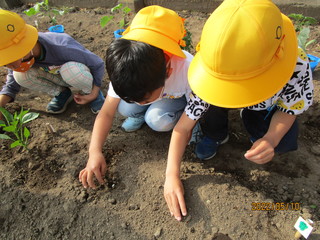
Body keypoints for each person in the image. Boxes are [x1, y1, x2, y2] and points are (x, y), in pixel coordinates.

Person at [164, 0, 314, 221]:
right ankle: (216, 134)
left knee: (283, 140)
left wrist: (271, 139)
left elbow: (290, 108)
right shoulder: (217, 63)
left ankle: (253, 119)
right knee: (211, 104)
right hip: (223, 99)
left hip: (266, 106)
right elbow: (183, 127)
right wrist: (170, 175)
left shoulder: (296, 64)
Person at [79, 5, 209, 188]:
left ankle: (187, 123)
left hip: (179, 97)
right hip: (156, 87)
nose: (139, 102)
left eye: (145, 100)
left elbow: (181, 130)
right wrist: (94, 152)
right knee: (125, 107)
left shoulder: (190, 72)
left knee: (156, 120)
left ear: (168, 71)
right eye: (137, 99)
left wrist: (171, 175)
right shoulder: (126, 66)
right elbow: (107, 112)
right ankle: (143, 111)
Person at [0, 10, 105, 116]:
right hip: (58, 77)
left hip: (78, 74)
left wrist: (94, 93)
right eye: (5, 63)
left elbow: (97, 64)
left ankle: (90, 92)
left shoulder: (62, 47)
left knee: (71, 71)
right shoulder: (17, 58)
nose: (10, 66)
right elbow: (11, 85)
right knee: (19, 75)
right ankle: (62, 93)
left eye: (11, 59)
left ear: (24, 47)